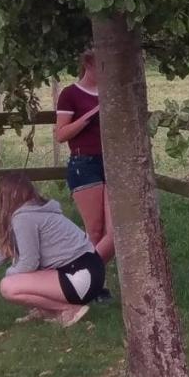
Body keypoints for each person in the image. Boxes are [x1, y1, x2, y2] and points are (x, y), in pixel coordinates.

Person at [0, 172, 105, 326]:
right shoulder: (34, 210)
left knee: (9, 287)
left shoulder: (24, 217)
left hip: (80, 277)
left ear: (4, 197)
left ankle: (68, 309)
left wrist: (10, 274)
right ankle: (46, 310)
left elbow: (29, 263)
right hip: (89, 274)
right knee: (16, 280)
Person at [55, 49, 114, 271]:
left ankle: (84, 277)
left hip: (112, 163)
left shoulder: (111, 91)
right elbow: (61, 134)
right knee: (95, 230)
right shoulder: (71, 94)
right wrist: (90, 116)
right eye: (102, 64)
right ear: (88, 64)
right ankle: (91, 283)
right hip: (85, 163)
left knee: (114, 232)